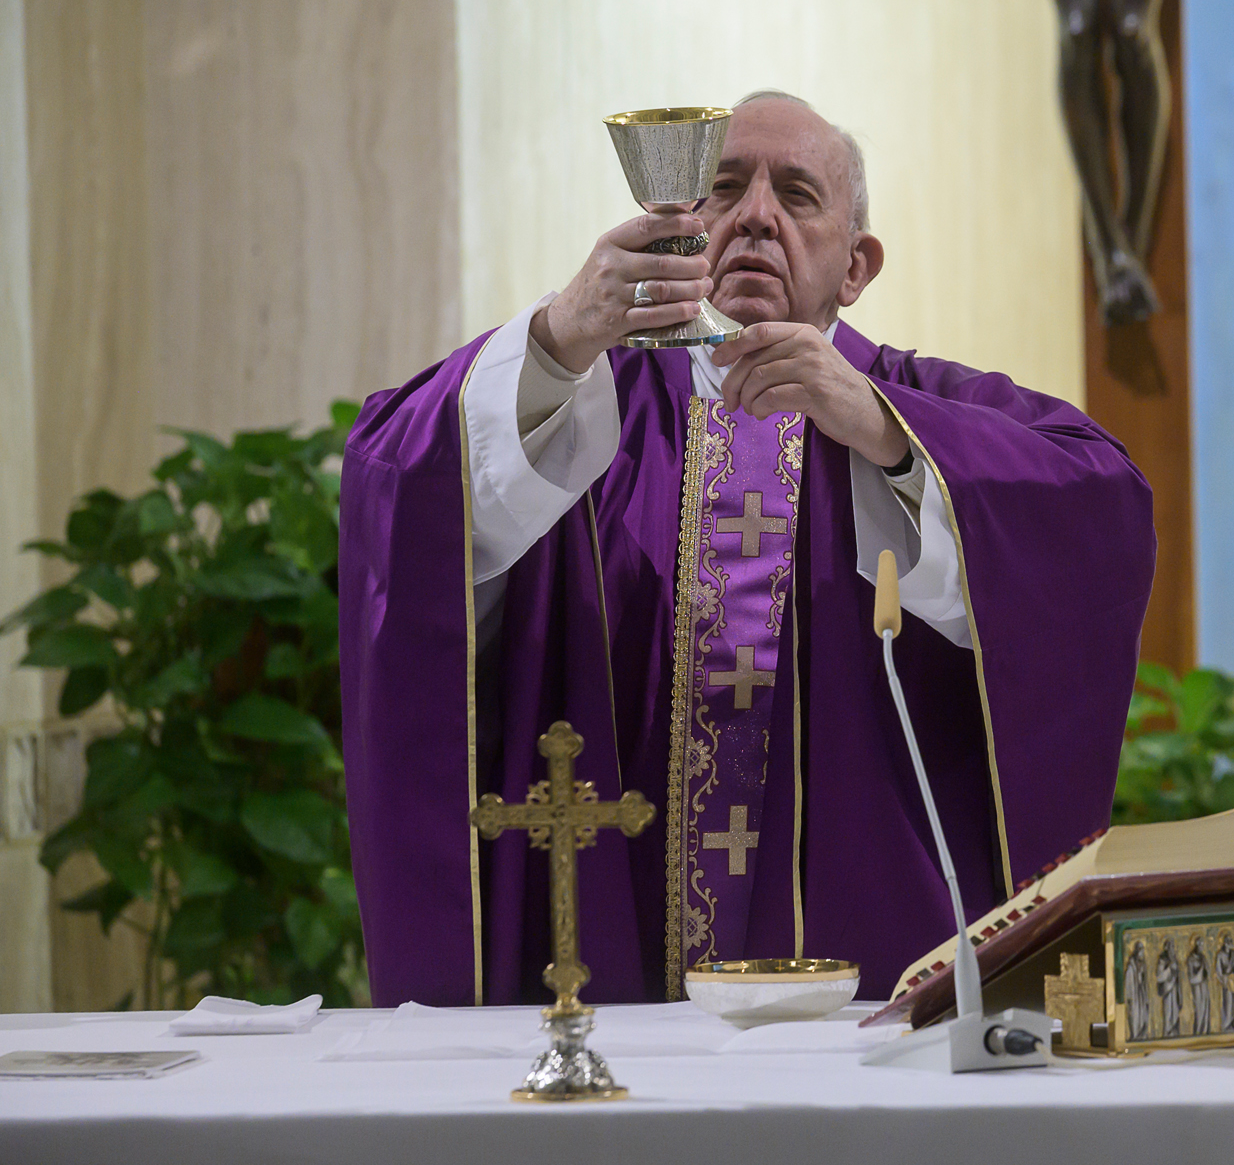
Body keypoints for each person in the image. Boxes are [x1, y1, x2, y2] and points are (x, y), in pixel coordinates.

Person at [338, 91, 1156, 1007]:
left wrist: (884, 429)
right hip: (615, 978)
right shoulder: (581, 406)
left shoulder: (912, 406)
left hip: (874, 987)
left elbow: (1102, 509)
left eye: (797, 195)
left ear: (857, 266)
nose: (757, 215)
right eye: (726, 188)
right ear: (682, 230)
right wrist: (560, 336)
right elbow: (397, 481)